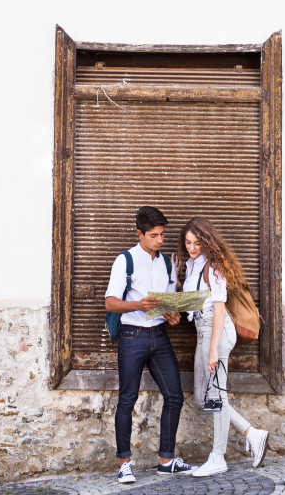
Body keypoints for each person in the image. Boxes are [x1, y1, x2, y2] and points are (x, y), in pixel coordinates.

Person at [105, 205, 194, 484]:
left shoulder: (167, 263)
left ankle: (166, 461)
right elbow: (110, 302)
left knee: (175, 396)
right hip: (132, 336)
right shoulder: (125, 260)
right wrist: (137, 305)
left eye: (162, 235)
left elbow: (167, 302)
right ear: (139, 233)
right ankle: (124, 464)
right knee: (127, 399)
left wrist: (173, 315)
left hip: (159, 335)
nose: (159, 240)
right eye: (153, 235)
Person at [177, 216, 269, 478]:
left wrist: (214, 350)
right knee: (201, 396)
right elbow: (194, 300)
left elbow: (218, 309)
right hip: (201, 332)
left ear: (207, 242)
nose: (192, 248)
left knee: (216, 397)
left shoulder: (215, 266)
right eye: (188, 242)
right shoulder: (193, 265)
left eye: (197, 243)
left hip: (217, 332)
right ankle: (253, 433)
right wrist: (176, 278)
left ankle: (217, 457)